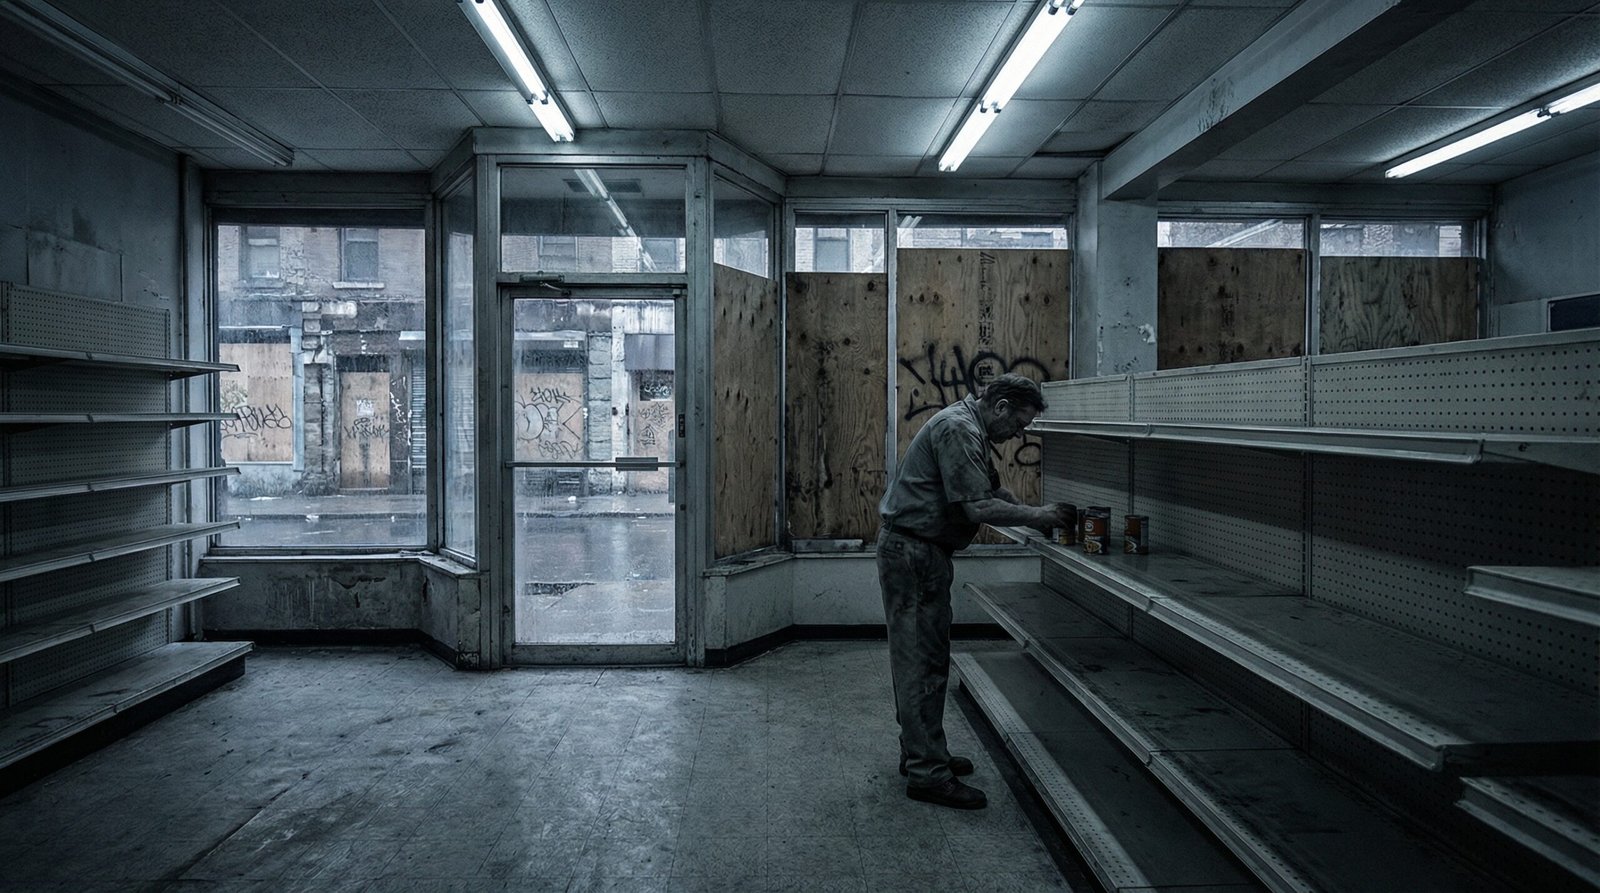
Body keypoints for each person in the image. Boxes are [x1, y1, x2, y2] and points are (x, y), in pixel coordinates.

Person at [876, 373, 1073, 810]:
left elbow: (991, 489)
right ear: (1000, 406)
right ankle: (927, 773)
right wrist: (1038, 516)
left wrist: (1031, 515)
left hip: (924, 552)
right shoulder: (958, 429)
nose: (1018, 434)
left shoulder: (973, 430)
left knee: (927, 657)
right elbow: (977, 507)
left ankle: (924, 752)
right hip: (914, 553)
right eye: (1019, 424)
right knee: (918, 662)